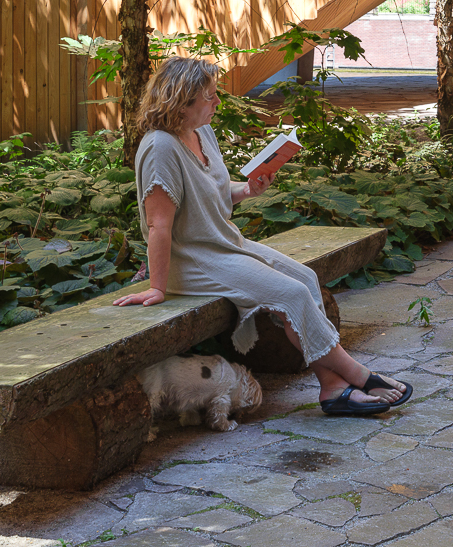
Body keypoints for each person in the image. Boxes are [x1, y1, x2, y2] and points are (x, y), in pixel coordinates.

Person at [115, 57, 413, 416]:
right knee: (292, 294)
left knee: (306, 278)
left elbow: (210, 194)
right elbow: (159, 225)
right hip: (192, 261)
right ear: (181, 102)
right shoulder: (161, 147)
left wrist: (247, 190)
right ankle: (359, 375)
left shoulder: (201, 133)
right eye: (210, 96)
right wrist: (158, 288)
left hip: (225, 245)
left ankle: (332, 387)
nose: (218, 102)